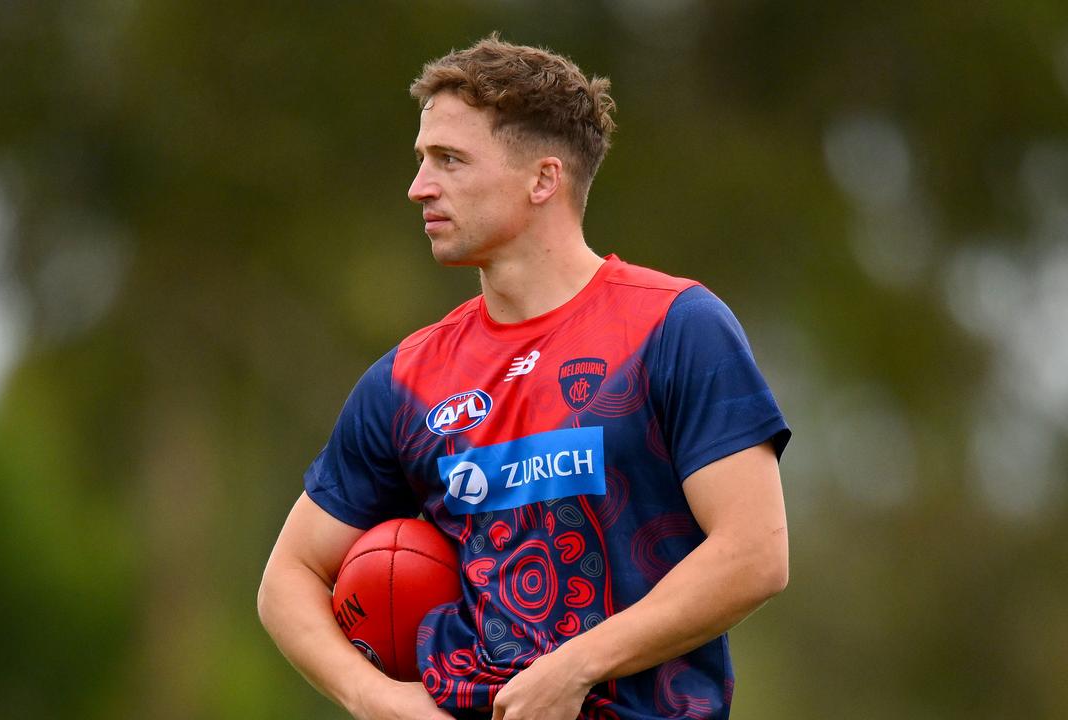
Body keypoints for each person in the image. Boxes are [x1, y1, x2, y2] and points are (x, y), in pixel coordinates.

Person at [258, 35, 790, 720]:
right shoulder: (407, 380)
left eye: (449, 160)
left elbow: (754, 553)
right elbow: (288, 579)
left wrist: (576, 667)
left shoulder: (676, 328)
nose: (418, 186)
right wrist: (378, 699)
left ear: (543, 180)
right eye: (422, 160)